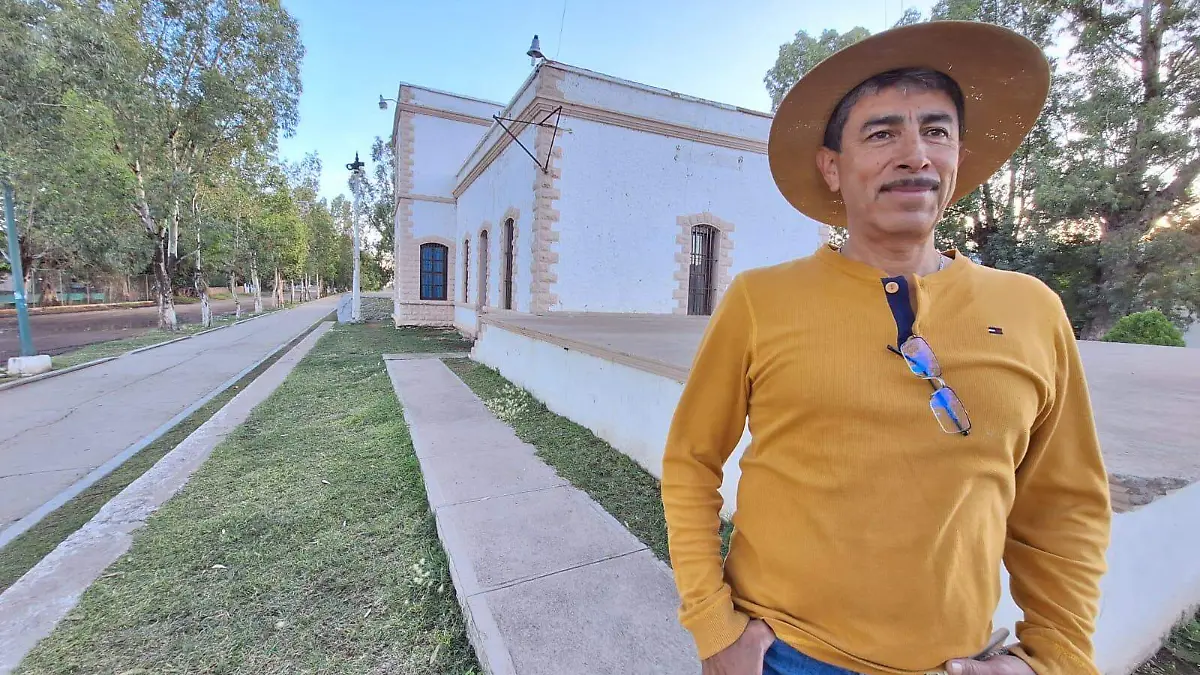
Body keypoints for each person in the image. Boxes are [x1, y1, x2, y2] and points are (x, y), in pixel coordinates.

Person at [660, 21, 1112, 675]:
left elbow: (1065, 505)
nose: (915, 154)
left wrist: (1053, 660)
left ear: (957, 159)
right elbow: (690, 461)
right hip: (784, 656)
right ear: (832, 167)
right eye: (882, 134)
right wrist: (712, 626)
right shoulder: (761, 299)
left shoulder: (1032, 309)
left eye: (936, 131)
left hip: (960, 661)